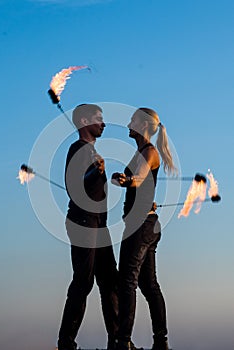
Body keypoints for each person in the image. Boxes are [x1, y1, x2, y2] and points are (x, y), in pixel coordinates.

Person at [111, 107, 176, 350]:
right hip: (147, 224)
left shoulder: (148, 152)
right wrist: (121, 179)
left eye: (132, 120)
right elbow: (134, 181)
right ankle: (161, 342)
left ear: (142, 125)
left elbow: (138, 178)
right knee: (149, 285)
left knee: (128, 281)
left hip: (140, 227)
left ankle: (123, 341)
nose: (128, 123)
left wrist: (129, 180)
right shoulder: (140, 152)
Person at [57, 104, 119, 350]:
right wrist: (95, 172)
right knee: (83, 281)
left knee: (109, 281)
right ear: (84, 121)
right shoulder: (78, 149)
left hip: (98, 224)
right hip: (83, 222)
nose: (103, 123)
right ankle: (66, 341)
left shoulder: (90, 151)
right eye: (99, 119)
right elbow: (73, 186)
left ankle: (118, 340)